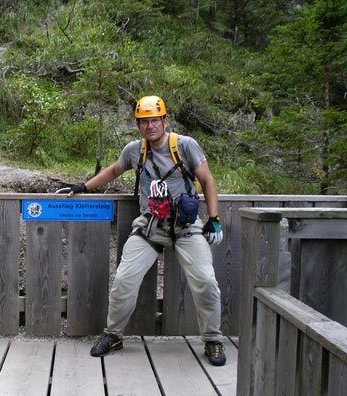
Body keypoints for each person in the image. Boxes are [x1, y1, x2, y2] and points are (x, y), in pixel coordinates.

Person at [57, 95, 226, 366]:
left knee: (206, 281)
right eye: (144, 122)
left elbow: (206, 180)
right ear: (138, 125)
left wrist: (214, 219)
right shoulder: (134, 150)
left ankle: (213, 339)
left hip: (185, 226)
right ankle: (113, 335)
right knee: (124, 279)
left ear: (164, 120)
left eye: (154, 120)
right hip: (149, 224)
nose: (150, 126)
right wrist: (83, 187)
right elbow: (113, 170)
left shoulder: (185, 145)